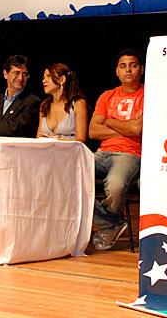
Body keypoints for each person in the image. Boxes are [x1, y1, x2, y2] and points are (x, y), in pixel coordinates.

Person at [88, 49, 145, 251]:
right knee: (68, 176)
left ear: (141, 69)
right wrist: (126, 127)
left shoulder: (149, 95)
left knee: (115, 185)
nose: (128, 70)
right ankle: (111, 223)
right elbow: (93, 131)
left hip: (131, 154)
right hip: (102, 153)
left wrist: (110, 121)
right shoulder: (107, 96)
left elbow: (138, 129)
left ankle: (108, 224)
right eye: (123, 66)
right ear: (117, 72)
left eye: (133, 65)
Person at [36, 63, 87, 142]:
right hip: (47, 149)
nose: (43, 81)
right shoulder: (44, 105)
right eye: (44, 77)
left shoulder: (78, 103)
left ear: (62, 79)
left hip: (70, 149)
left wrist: (58, 140)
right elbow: (38, 137)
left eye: (48, 76)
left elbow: (81, 139)